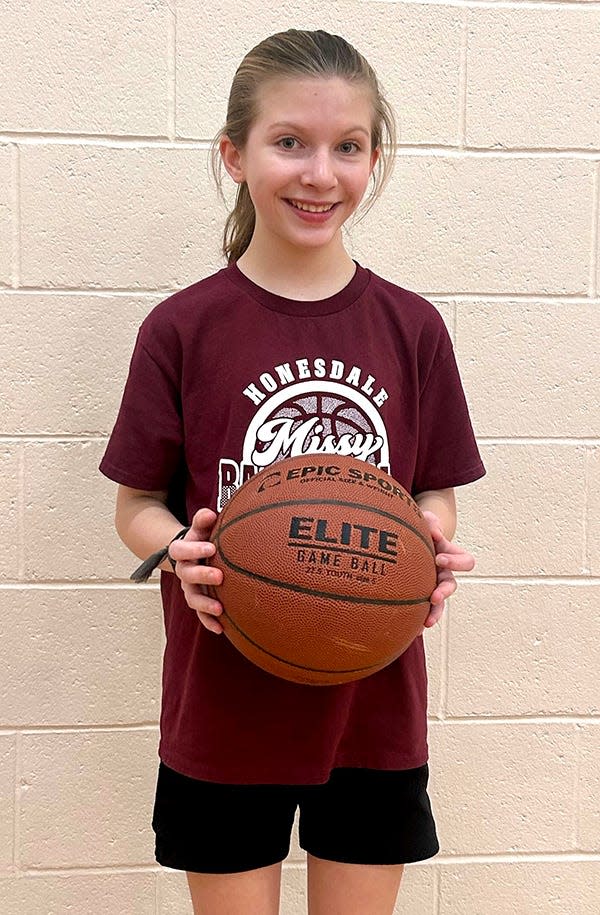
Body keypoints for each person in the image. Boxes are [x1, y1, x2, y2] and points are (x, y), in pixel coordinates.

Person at [100, 28, 485, 915]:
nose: (320, 173)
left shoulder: (413, 327)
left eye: (347, 147)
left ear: (373, 158)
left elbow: (433, 492)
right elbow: (136, 507)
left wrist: (429, 544)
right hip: (226, 700)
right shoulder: (183, 328)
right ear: (235, 154)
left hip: (372, 696)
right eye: (289, 143)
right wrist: (181, 552)